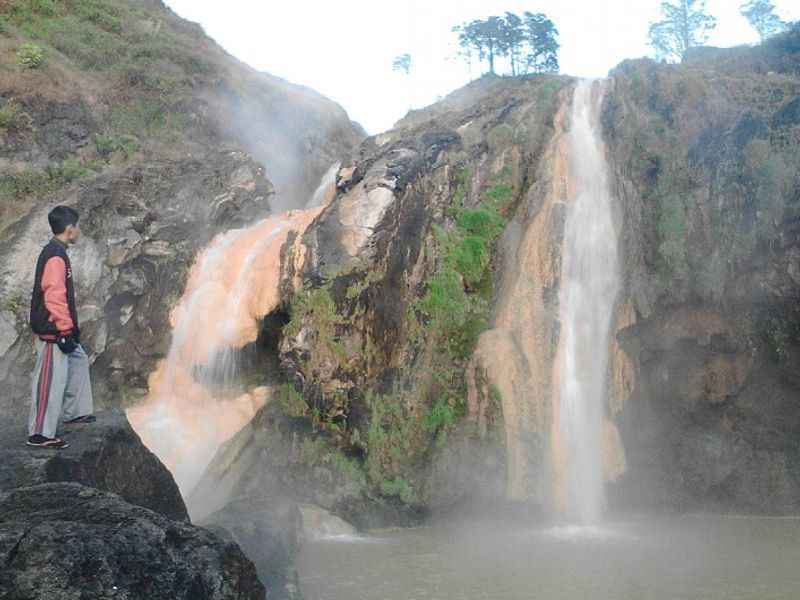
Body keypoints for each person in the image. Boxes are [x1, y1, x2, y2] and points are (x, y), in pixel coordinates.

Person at [27, 206, 95, 449]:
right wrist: (65, 330)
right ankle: (40, 434)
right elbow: (54, 296)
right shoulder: (55, 255)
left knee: (78, 360)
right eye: (77, 226)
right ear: (69, 229)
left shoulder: (59, 252)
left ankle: (75, 411)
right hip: (53, 328)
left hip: (61, 327)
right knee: (50, 378)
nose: (79, 230)